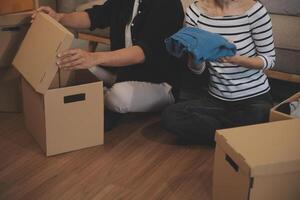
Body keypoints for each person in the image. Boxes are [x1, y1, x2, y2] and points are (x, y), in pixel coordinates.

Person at [32, 0, 184, 130]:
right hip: (123, 72)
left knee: (118, 97)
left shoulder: (168, 4)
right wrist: (59, 17)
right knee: (74, 61)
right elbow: (94, 17)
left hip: (160, 82)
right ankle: (99, 94)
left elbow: (142, 53)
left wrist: (94, 57)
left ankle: (101, 96)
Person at [162, 0, 276, 144]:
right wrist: (196, 56)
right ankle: (235, 138)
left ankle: (226, 137)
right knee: (170, 116)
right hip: (216, 99)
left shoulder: (255, 11)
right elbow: (197, 70)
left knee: (258, 115)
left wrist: (236, 59)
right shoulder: (195, 12)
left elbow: (269, 59)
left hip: (254, 100)